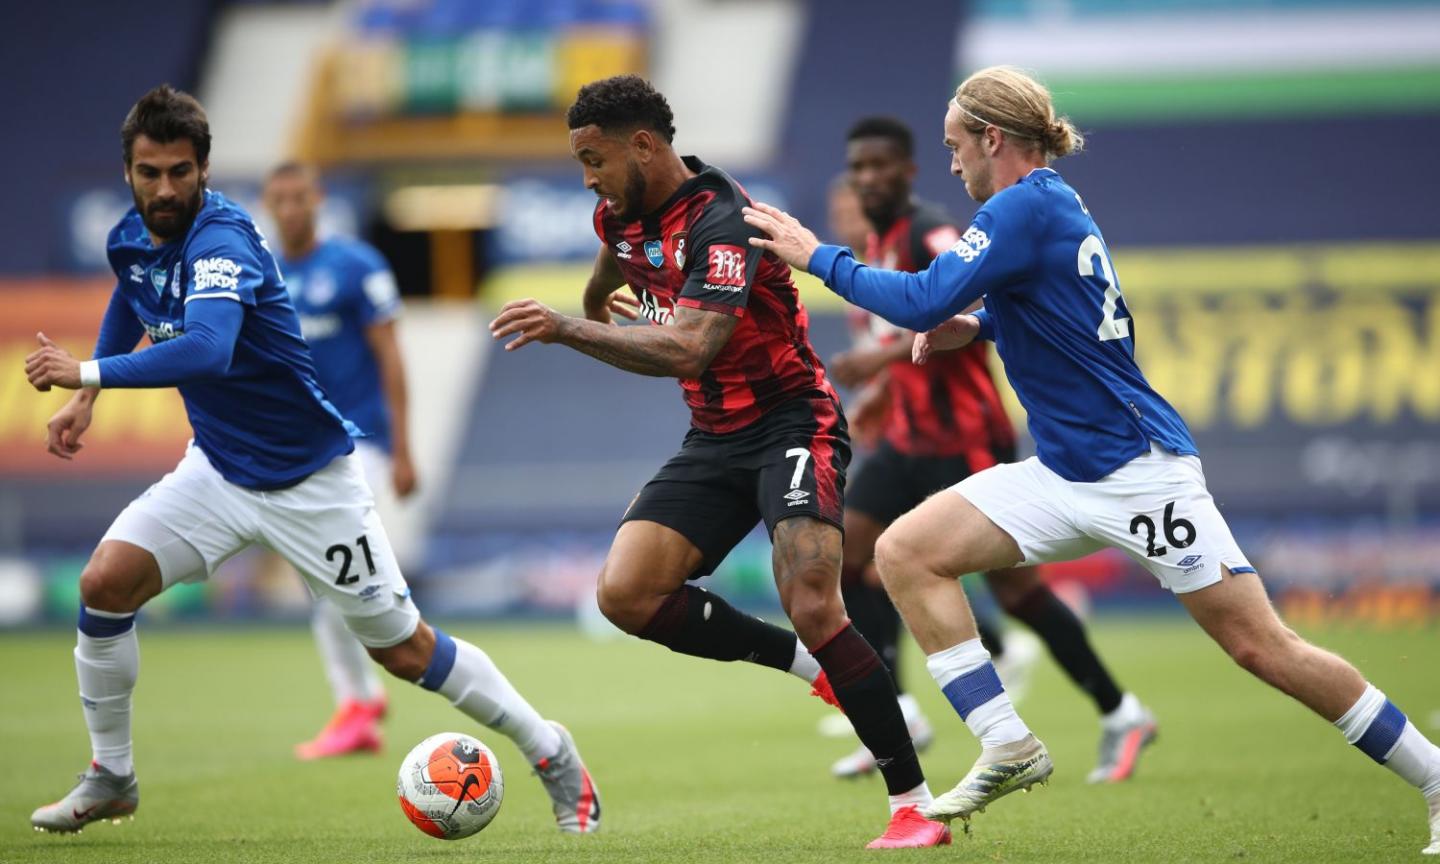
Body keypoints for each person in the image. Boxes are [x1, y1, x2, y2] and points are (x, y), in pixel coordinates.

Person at [743, 66, 1440, 853]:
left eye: (955, 146)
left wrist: (814, 253)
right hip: (1064, 473)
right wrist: (982, 330)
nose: (951, 163)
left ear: (992, 139)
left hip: (1140, 474)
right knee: (907, 551)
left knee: (1262, 648)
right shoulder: (1052, 204)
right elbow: (1072, 317)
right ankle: (1008, 743)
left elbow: (916, 299)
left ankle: (1436, 777)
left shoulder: (1018, 208)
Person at [26, 85, 601, 835]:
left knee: (405, 651)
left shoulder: (222, 242)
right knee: (103, 585)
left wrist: (86, 374)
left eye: (179, 172)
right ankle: (112, 776)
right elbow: (132, 297)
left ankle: (549, 747)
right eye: (148, 173)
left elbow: (208, 348)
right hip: (220, 468)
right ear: (128, 173)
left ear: (204, 171)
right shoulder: (129, 236)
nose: (164, 189)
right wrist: (87, 401)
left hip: (310, 481)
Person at [488, 74, 948, 849]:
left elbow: (692, 345)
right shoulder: (618, 215)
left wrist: (572, 329)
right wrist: (607, 308)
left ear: (644, 144)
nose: (588, 178)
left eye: (594, 159)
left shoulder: (721, 219)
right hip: (714, 437)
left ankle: (913, 805)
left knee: (810, 592)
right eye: (581, 164)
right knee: (626, 594)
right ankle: (813, 668)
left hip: (793, 423)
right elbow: (610, 278)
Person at [825, 116, 1154, 783]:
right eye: (857, 169)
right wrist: (885, 393)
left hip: (967, 434)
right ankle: (897, 709)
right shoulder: (882, 239)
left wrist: (882, 359)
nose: (866, 180)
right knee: (848, 558)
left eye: (878, 166)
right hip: (909, 438)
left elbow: (960, 293)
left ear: (908, 171)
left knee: (1018, 591)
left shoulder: (930, 229)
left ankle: (1121, 710)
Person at [260, 162, 416, 760]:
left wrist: (404, 449)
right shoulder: (262, 272)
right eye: (281, 200)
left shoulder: (356, 266)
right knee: (325, 582)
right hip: (298, 451)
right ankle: (360, 702)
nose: (292, 209)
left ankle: (359, 700)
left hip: (360, 445)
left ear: (319, 198)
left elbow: (391, 358)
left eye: (301, 198)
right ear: (269, 205)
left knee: (333, 578)